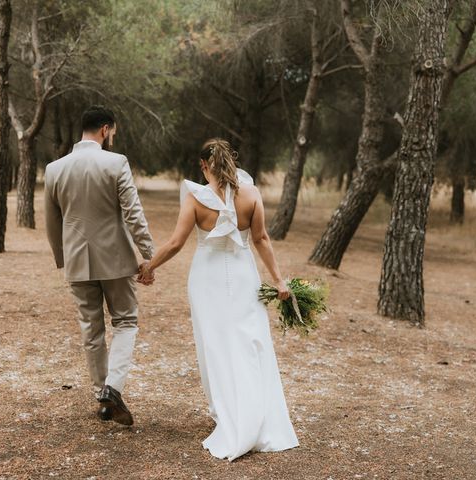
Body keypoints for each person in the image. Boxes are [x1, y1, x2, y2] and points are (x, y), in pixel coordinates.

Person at [141, 138, 299, 460]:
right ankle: (257, 413)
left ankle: (228, 414)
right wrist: (279, 280)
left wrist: (148, 267)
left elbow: (174, 243)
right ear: (231, 161)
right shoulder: (252, 195)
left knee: (215, 345)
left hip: (207, 279)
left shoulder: (196, 198)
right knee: (250, 341)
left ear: (203, 165)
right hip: (243, 276)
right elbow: (261, 239)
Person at [44, 105, 155, 426]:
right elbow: (133, 214)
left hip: (77, 261)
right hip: (116, 261)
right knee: (125, 322)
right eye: (113, 133)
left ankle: (102, 396)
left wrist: (62, 258)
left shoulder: (54, 169)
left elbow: (53, 223)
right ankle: (113, 388)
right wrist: (148, 255)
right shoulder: (116, 163)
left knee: (91, 331)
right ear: (105, 130)